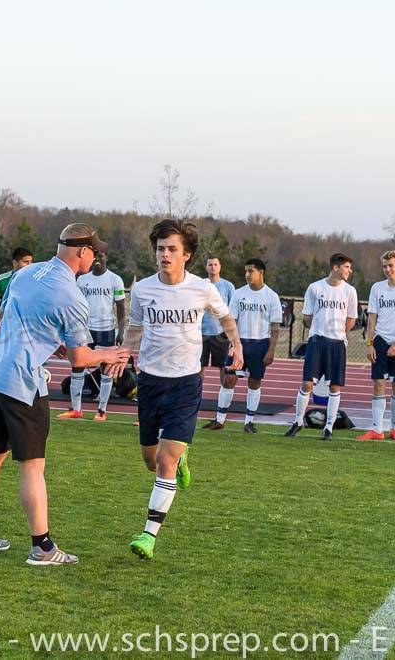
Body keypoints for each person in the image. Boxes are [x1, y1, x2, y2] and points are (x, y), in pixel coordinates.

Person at [0, 224, 129, 564]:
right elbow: (80, 359)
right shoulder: (72, 295)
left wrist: (51, 341)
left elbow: (16, 317)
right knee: (32, 466)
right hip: (22, 383)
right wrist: (109, 354)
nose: (96, 256)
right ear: (81, 252)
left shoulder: (27, 273)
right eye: (94, 250)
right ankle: (42, 547)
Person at [126, 219, 242, 561]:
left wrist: (235, 345)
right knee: (150, 460)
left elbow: (226, 319)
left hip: (186, 383)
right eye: (161, 249)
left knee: (165, 460)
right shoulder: (143, 289)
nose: (165, 254)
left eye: (172, 249)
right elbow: (134, 327)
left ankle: (149, 535)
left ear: (186, 255)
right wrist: (122, 353)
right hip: (149, 381)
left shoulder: (202, 288)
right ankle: (180, 455)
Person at [284, 253, 359, 440]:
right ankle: (298, 422)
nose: (350, 270)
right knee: (307, 384)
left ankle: (328, 427)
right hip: (317, 342)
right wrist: (320, 327)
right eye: (347, 267)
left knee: (334, 387)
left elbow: (351, 319)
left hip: (337, 344)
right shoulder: (315, 288)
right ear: (335, 267)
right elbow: (307, 316)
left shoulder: (350, 291)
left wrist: (338, 333)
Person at [202, 258, 281, 433]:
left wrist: (271, 350)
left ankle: (249, 422)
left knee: (254, 382)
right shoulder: (238, 294)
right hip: (240, 343)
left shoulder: (271, 296)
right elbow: (232, 320)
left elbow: (275, 327)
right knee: (229, 379)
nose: (247, 274)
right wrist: (233, 344)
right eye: (245, 271)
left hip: (260, 345)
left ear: (261, 273)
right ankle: (219, 420)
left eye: (250, 271)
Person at [357, 250, 395, 442]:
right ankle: (377, 430)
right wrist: (370, 343)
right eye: (384, 266)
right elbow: (372, 317)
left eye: (391, 265)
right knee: (378, 383)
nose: (387, 269)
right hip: (380, 341)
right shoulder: (377, 288)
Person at [59, 250, 127, 421]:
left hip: (106, 330)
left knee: (106, 369)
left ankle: (102, 410)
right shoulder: (82, 279)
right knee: (78, 365)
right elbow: (74, 304)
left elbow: (120, 307)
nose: (97, 259)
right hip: (84, 329)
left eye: (101, 256)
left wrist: (121, 330)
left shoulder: (115, 279)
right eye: (95, 256)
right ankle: (76, 408)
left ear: (106, 257)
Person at [0, 247, 34, 330]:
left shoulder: (36, 280)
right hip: (8, 326)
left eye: (31, 262)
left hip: (31, 326)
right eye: (26, 262)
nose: (30, 265)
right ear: (15, 263)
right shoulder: (2, 279)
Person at [199, 255, 235, 377]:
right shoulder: (200, 285)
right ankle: (196, 396)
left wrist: (231, 333)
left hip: (221, 333)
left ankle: (223, 395)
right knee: (198, 367)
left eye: (215, 264)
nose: (213, 267)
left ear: (220, 267)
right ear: (206, 267)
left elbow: (232, 312)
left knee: (223, 368)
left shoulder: (228, 286)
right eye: (210, 264)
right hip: (201, 332)